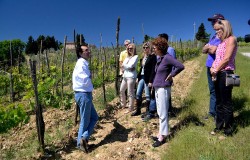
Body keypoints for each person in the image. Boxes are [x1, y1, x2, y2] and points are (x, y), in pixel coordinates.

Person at [151, 37, 184, 147]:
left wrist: (172, 75)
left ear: (160, 48)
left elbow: (180, 66)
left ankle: (162, 137)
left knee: (163, 112)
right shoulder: (160, 58)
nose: (153, 49)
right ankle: (161, 132)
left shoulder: (167, 58)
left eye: (155, 47)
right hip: (158, 87)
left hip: (163, 88)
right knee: (160, 112)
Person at [210, 20, 237, 136]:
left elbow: (226, 59)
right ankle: (219, 126)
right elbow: (217, 59)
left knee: (226, 102)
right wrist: (212, 68)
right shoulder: (221, 43)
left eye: (218, 30)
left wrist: (215, 70)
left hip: (227, 73)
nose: (216, 33)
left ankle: (229, 129)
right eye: (215, 30)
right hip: (217, 73)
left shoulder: (232, 39)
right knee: (219, 102)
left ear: (225, 28)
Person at [72, 45, 99, 153]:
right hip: (83, 94)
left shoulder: (82, 63)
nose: (88, 51)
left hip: (83, 95)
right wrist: (90, 76)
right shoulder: (81, 63)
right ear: (80, 53)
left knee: (94, 117)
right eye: (86, 50)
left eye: (88, 50)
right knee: (85, 120)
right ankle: (80, 143)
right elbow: (85, 79)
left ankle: (84, 138)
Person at [202, 14, 225, 120]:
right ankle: (212, 112)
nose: (212, 24)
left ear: (220, 21)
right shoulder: (213, 36)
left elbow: (212, 50)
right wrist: (208, 47)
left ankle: (219, 113)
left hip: (217, 66)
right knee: (212, 90)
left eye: (214, 21)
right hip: (209, 66)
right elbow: (203, 50)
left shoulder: (223, 35)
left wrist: (208, 47)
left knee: (219, 90)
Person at [131, 42, 156, 116]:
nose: (145, 49)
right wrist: (138, 77)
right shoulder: (142, 58)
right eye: (144, 47)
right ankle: (138, 110)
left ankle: (148, 111)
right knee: (138, 93)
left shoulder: (153, 57)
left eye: (147, 47)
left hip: (147, 77)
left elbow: (153, 70)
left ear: (150, 48)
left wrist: (151, 80)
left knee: (148, 95)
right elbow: (141, 68)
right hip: (141, 77)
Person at [120, 43, 139, 113]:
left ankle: (130, 108)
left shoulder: (136, 56)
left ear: (134, 49)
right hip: (125, 75)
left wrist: (125, 66)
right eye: (128, 48)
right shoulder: (127, 57)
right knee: (121, 90)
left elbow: (131, 65)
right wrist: (126, 66)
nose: (129, 49)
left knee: (130, 92)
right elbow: (124, 65)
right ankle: (123, 104)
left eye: (131, 48)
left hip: (131, 76)